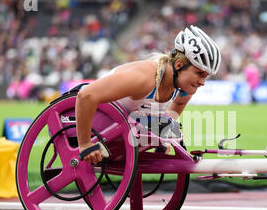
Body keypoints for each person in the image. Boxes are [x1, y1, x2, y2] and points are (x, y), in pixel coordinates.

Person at [76, 25, 221, 164]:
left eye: (206, 76)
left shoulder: (184, 86)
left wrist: (160, 136)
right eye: (199, 73)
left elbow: (179, 103)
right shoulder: (145, 78)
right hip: (80, 124)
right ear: (178, 65)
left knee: (171, 127)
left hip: (116, 129)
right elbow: (86, 95)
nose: (202, 82)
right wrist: (85, 145)